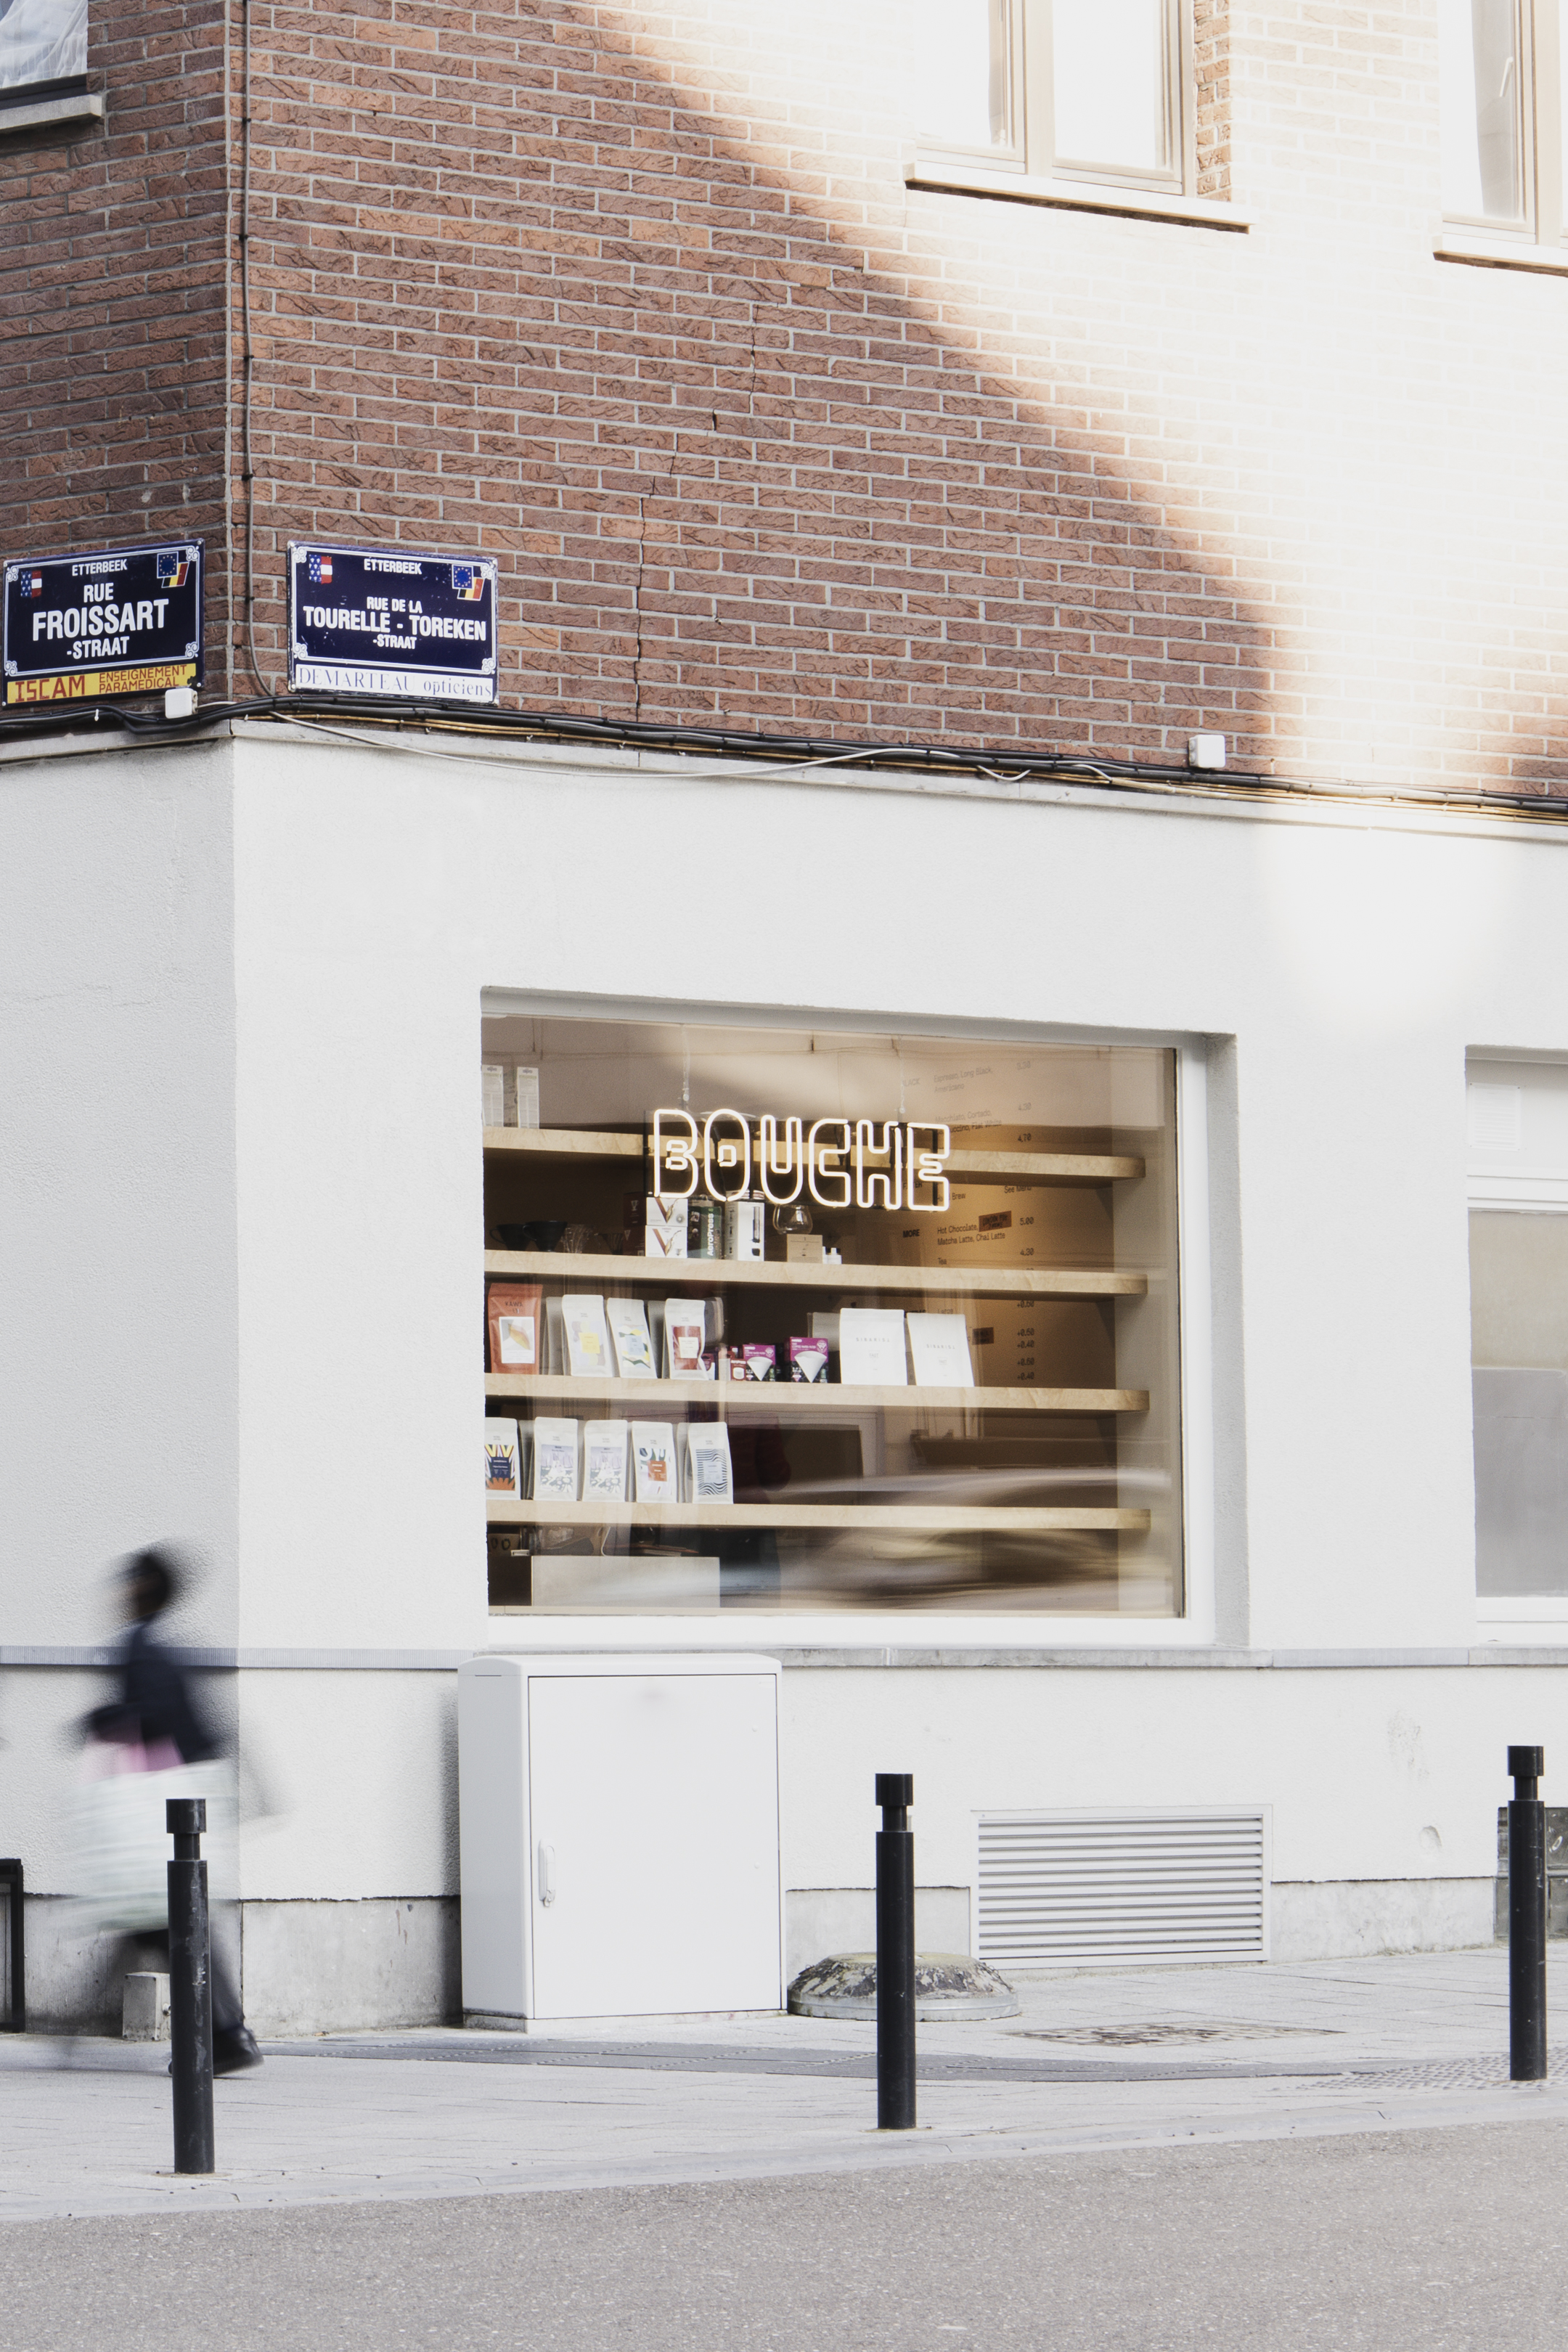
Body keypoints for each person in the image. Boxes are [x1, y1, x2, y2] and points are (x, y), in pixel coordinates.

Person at [87, 1546, 262, 2075]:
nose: (121, 1592)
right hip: (181, 1803)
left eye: (129, 1582)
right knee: (171, 1924)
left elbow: (155, 1716)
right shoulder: (167, 1647)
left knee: (176, 1927)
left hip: (160, 1809)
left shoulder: (141, 1648)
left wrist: (102, 1718)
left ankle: (225, 2035)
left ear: (143, 1588)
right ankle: (225, 2033)